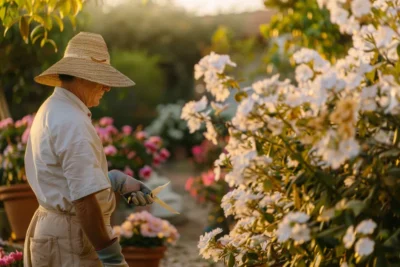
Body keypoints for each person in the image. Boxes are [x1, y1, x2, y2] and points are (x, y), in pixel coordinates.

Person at [23, 32, 153, 267]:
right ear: (80, 76)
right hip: (69, 240)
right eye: (100, 78)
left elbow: (62, 177)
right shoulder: (72, 121)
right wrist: (111, 257)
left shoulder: (52, 108)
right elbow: (83, 201)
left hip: (54, 231)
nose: (107, 87)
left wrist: (111, 181)